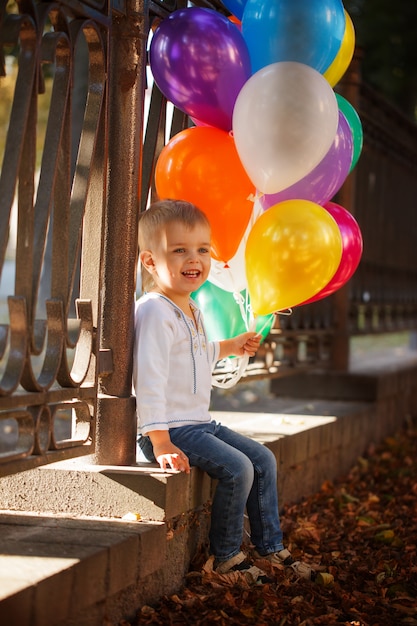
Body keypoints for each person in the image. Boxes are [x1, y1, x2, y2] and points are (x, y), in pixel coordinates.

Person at [133, 199, 315, 584]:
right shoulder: (154, 311)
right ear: (150, 262)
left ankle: (269, 547)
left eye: (202, 249)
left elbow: (195, 352)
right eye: (179, 250)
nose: (194, 259)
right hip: (171, 430)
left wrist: (229, 347)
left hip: (199, 424)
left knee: (263, 459)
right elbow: (149, 377)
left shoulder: (190, 307)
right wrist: (161, 442)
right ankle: (227, 556)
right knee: (238, 468)